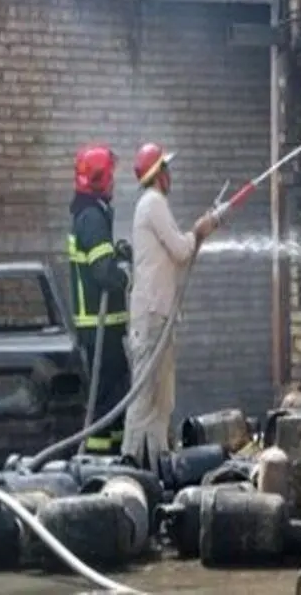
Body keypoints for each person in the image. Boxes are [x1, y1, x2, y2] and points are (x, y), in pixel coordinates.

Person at [121, 142, 218, 471]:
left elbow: (176, 253)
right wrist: (199, 232)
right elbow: (180, 250)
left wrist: (196, 235)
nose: (170, 174)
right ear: (158, 175)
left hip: (157, 315)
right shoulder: (153, 203)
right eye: (167, 168)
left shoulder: (151, 204)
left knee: (161, 401)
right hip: (151, 318)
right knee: (146, 400)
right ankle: (133, 467)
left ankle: (155, 467)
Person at [67, 144, 132, 454]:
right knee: (107, 399)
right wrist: (125, 273)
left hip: (102, 327)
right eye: (110, 177)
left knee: (116, 396)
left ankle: (113, 454)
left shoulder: (89, 213)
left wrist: (117, 252)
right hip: (100, 327)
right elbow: (104, 273)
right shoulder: (92, 217)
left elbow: (100, 257)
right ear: (100, 179)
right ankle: (100, 459)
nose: (114, 183)